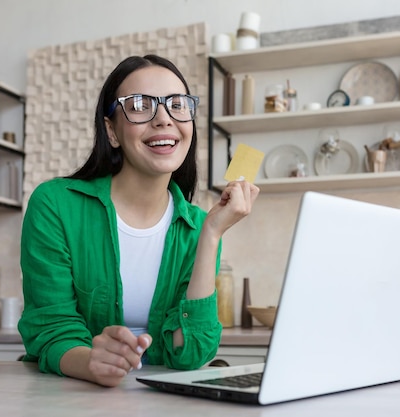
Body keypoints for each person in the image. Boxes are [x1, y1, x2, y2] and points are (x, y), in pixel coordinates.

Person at [18, 54, 259, 387]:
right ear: (112, 131)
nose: (163, 119)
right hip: (73, 396)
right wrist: (91, 361)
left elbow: (189, 353)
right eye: (140, 105)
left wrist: (212, 234)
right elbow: (50, 328)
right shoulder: (55, 205)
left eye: (177, 105)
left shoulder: (201, 226)